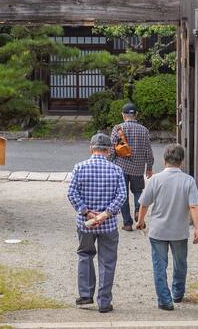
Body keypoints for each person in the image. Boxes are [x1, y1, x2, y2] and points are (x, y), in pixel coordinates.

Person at [134, 144, 198, 311]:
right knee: (180, 263)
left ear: (164, 161)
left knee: (159, 264)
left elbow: (144, 204)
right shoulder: (188, 180)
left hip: (158, 230)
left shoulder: (155, 180)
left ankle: (164, 300)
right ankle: (177, 293)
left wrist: (140, 221)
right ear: (182, 162)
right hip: (179, 230)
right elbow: (194, 206)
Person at [66, 133, 127, 313]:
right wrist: (106, 213)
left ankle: (85, 296)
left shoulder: (80, 167)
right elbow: (122, 196)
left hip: (85, 223)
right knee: (107, 262)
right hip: (108, 224)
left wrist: (87, 211)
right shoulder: (116, 170)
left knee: (85, 255)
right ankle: (104, 302)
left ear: (91, 148)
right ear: (109, 150)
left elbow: (72, 193)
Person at [110, 102, 155, 231]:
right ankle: (137, 212)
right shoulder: (144, 130)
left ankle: (127, 223)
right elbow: (148, 150)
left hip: (121, 166)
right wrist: (150, 167)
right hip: (138, 167)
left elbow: (113, 149)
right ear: (137, 115)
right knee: (138, 192)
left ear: (123, 115)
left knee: (122, 194)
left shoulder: (118, 129)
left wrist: (109, 164)